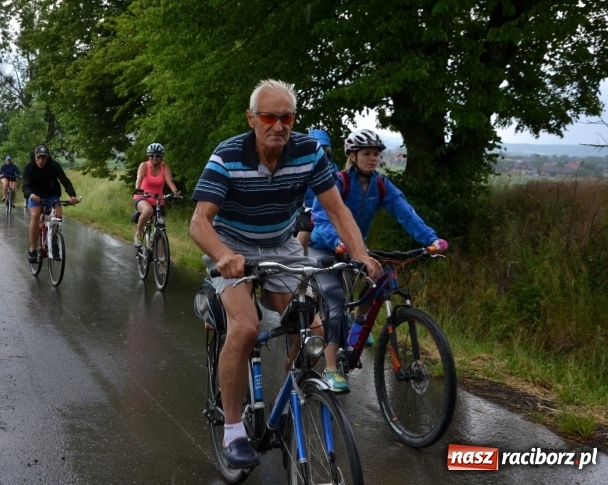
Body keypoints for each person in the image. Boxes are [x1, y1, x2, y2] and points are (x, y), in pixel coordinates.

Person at [189, 79, 381, 470]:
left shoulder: (308, 152)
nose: (278, 125)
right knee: (245, 327)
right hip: (232, 245)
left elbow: (339, 210)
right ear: (252, 118)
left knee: (311, 327)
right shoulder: (227, 156)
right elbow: (199, 222)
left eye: (287, 116)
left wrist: (359, 253)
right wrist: (224, 255)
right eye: (269, 116)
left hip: (281, 244)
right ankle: (232, 431)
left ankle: (296, 396)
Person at [308, 128, 448, 393]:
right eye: (367, 154)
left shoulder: (380, 185)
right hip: (326, 247)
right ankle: (330, 369)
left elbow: (405, 213)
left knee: (385, 278)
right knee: (336, 302)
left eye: (376, 154)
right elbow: (323, 218)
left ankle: (358, 326)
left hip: (356, 247)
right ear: (352, 155)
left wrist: (430, 239)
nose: (373, 159)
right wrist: (339, 244)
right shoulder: (338, 182)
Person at [22, 144, 80, 263]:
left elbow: (65, 180)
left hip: (52, 195)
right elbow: (26, 185)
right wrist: (31, 195)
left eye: (44, 158)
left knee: (58, 215)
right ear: (34, 157)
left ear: (47, 158)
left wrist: (72, 195)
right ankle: (33, 250)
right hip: (35, 196)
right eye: (38, 157)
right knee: (35, 215)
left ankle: (54, 245)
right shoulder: (29, 168)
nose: (41, 160)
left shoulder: (54, 166)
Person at [294, 127, 338, 254]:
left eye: (323, 149)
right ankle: (296, 264)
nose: (321, 152)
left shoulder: (333, 167)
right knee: (304, 235)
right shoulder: (303, 166)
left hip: (326, 210)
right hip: (306, 209)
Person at [132, 142, 181, 247]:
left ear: (161, 156)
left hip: (158, 199)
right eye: (152, 155)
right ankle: (139, 233)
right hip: (142, 196)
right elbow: (139, 178)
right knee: (148, 211)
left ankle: (156, 247)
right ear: (148, 155)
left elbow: (169, 181)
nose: (155, 158)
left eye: (158, 155)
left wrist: (175, 192)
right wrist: (138, 189)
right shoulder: (144, 165)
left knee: (161, 223)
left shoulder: (164, 166)